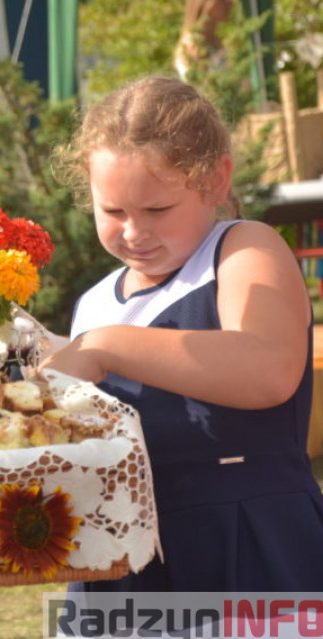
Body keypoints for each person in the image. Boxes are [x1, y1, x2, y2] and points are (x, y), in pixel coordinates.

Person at [42, 76, 323, 593]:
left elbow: (268, 370)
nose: (133, 232)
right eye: (113, 211)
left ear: (216, 180)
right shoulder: (94, 303)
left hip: (247, 550)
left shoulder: (243, 248)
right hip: (121, 570)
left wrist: (104, 348)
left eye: (157, 209)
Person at [174, 0, 233, 81]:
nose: (230, 2)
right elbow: (203, 86)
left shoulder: (213, 39)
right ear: (205, 2)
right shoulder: (194, 45)